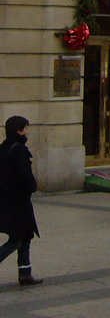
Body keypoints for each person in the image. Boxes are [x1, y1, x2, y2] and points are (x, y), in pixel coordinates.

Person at [0, 115, 42, 286]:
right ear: (18, 131)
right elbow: (25, 176)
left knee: (25, 235)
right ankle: (25, 273)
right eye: (25, 129)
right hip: (18, 201)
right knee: (16, 239)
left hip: (6, 200)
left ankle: (25, 272)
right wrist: (32, 186)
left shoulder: (3, 148)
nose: (27, 132)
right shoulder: (19, 150)